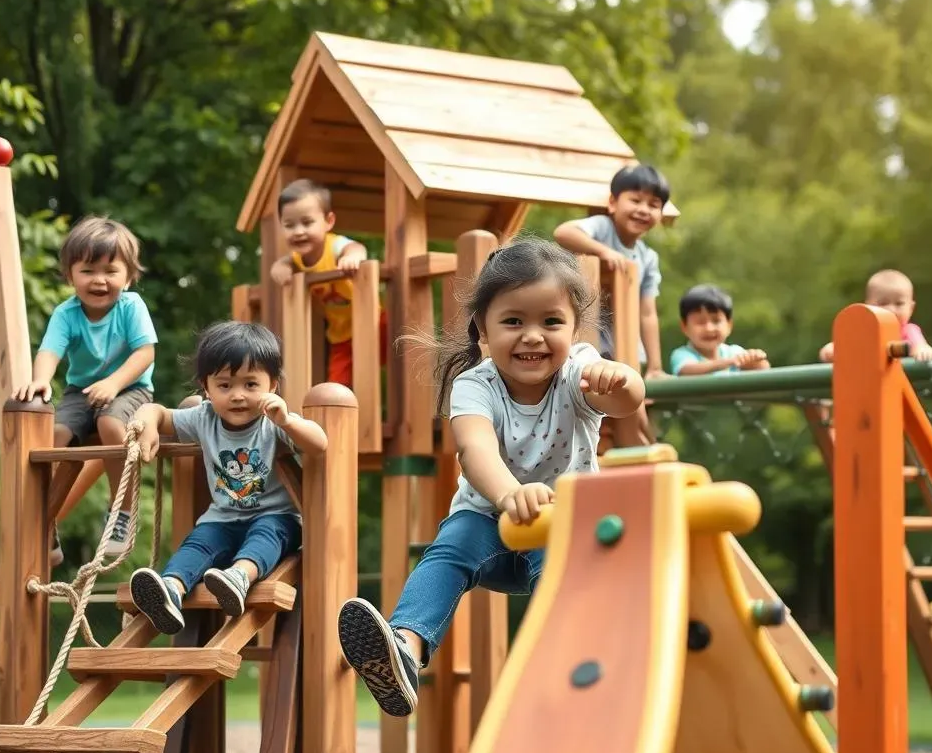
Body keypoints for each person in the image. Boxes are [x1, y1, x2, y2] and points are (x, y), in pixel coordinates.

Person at [336, 238, 645, 717]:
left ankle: (570, 661)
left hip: (562, 528)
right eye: (514, 321)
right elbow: (474, 449)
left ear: (574, 328)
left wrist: (622, 380)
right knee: (450, 544)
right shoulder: (474, 385)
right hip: (491, 526)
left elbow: (626, 403)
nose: (533, 336)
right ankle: (405, 647)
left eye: (551, 322)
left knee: (567, 563)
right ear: (483, 328)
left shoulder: (579, 370)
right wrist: (509, 494)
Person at [126, 321, 327, 633]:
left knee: (265, 537)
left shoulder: (272, 420)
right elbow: (156, 411)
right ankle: (170, 590)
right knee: (197, 544)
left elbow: (319, 443)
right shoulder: (203, 417)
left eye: (250, 385)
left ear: (272, 385)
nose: (237, 396)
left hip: (276, 517)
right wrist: (147, 423)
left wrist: (287, 421)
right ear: (206, 388)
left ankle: (239, 576)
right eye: (224, 386)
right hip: (221, 519)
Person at [12, 216, 157, 560]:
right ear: (70, 274)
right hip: (81, 392)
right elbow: (50, 350)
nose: (99, 280)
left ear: (129, 275)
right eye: (88, 270)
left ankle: (120, 512)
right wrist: (41, 381)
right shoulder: (67, 313)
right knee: (55, 436)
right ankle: (47, 524)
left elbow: (145, 352)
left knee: (110, 424)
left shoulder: (131, 306)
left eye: (111, 270)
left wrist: (113, 383)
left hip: (131, 388)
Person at [552, 163, 670, 378]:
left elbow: (647, 313)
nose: (643, 209)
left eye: (654, 205)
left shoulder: (648, 257)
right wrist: (604, 251)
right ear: (613, 203)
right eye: (635, 200)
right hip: (586, 336)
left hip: (622, 342)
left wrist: (655, 366)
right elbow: (564, 232)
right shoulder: (602, 227)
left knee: (624, 392)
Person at [268, 178, 387, 387]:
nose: (298, 231)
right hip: (340, 336)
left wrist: (352, 258)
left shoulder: (334, 246)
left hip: (374, 322)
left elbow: (356, 248)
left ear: (328, 221)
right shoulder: (296, 259)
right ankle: (338, 417)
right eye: (289, 225)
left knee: (381, 370)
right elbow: (284, 262)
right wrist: (279, 267)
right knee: (337, 384)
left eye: (307, 222)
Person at [819, 269, 932, 363]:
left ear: (911, 308)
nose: (891, 309)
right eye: (883, 303)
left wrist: (922, 350)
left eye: (899, 303)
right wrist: (832, 350)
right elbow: (840, 348)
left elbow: (920, 346)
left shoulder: (909, 331)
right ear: (868, 307)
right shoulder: (863, 332)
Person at [670, 284, 770, 376]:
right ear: (684, 327)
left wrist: (755, 359)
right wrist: (728, 362)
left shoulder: (734, 352)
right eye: (700, 322)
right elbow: (686, 371)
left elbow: (763, 371)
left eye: (716, 321)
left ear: (729, 325)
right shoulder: (682, 354)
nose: (709, 328)